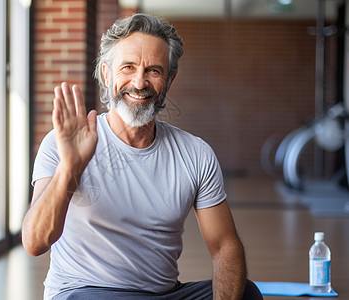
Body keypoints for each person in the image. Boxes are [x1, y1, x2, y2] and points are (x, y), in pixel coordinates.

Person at [22, 13, 262, 300]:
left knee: (244, 292)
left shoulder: (195, 154)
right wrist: (69, 168)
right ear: (107, 73)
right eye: (128, 67)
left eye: (154, 71)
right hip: (85, 293)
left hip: (162, 295)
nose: (139, 82)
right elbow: (35, 242)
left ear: (169, 80)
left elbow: (225, 246)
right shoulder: (61, 145)